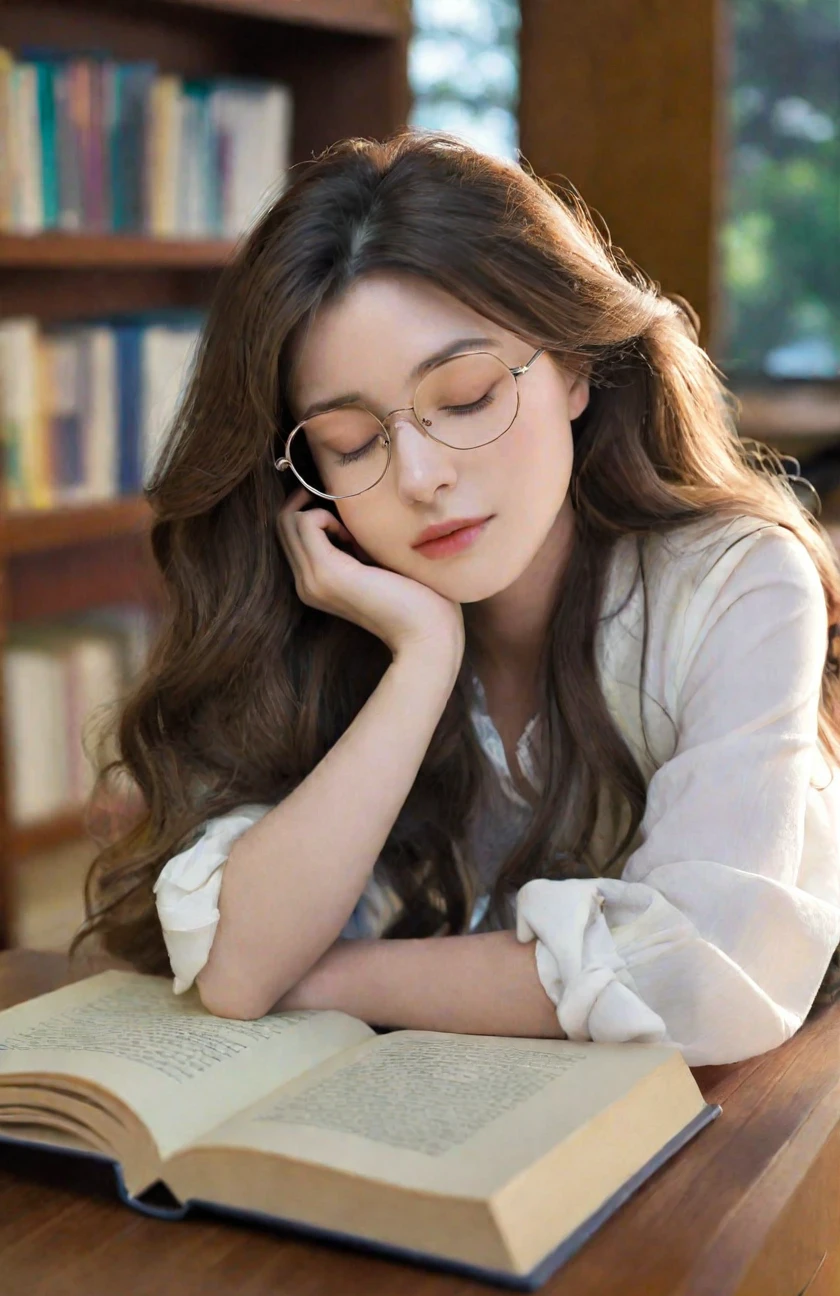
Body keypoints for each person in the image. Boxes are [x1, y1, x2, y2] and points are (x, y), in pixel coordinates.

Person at [71, 130, 840, 1067]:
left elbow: (704, 971)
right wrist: (422, 659)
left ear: (573, 367)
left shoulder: (741, 584)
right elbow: (236, 974)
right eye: (352, 443)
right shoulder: (327, 624)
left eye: (468, 396)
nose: (423, 476)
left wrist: (328, 979)